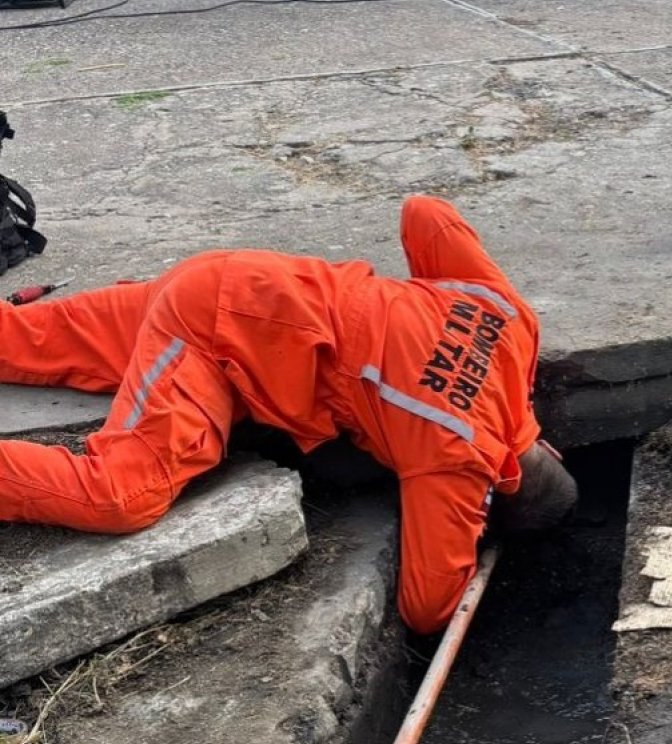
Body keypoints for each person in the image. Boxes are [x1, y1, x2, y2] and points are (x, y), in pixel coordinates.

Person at [0, 195, 578, 634]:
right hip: (211, 333)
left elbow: (425, 212)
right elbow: (427, 609)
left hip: (247, 278)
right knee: (120, 495)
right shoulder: (456, 457)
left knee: (19, 338)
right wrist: (469, 537)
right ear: (490, 498)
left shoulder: (510, 321)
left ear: (547, 448)